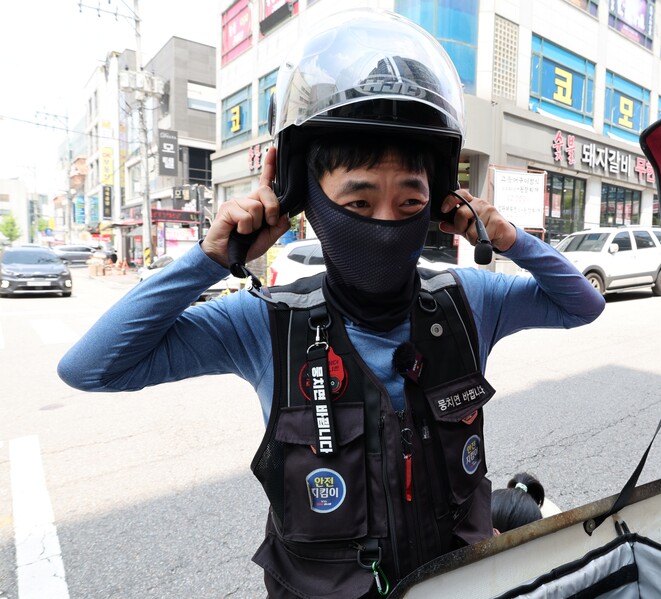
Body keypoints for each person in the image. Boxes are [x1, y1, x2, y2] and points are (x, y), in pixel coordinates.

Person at [58, 9, 604, 599]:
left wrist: (509, 239)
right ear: (304, 200)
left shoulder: (466, 300)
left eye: (409, 201)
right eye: (360, 203)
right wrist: (209, 259)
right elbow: (91, 367)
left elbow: (583, 305)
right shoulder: (266, 322)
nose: (387, 223)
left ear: (441, 203)